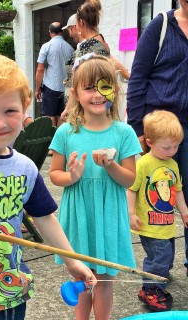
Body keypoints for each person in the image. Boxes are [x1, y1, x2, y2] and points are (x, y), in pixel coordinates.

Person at [0, 52, 96, 319]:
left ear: (26, 106)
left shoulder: (25, 168)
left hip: (10, 294)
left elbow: (45, 218)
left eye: (10, 111)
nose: (0, 122)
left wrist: (73, 262)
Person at [49, 54, 142, 320]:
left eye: (104, 86)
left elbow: (130, 180)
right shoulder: (66, 132)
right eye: (89, 88)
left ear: (113, 89)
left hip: (109, 216)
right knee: (81, 277)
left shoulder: (123, 133)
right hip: (78, 217)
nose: (97, 94)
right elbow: (54, 174)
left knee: (104, 279)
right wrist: (73, 176)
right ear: (76, 93)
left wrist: (111, 166)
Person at [126, 1, 188, 275]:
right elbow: (138, 77)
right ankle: (158, 270)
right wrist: (138, 129)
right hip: (162, 129)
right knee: (157, 197)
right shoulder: (160, 26)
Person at [127, 110, 188, 312]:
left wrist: (184, 210)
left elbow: (177, 190)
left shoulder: (172, 164)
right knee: (159, 257)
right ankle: (149, 289)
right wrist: (130, 213)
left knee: (167, 257)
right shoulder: (143, 164)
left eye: (176, 145)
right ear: (150, 142)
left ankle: (158, 279)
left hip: (168, 224)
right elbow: (131, 188)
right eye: (167, 147)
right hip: (150, 225)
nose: (172, 150)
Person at [61, 0, 130, 120]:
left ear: (81, 22)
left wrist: (68, 109)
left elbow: (77, 78)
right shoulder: (100, 41)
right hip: (101, 99)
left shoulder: (86, 46)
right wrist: (131, 77)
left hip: (85, 106)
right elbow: (113, 62)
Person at [35, 21, 74, 127]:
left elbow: (40, 69)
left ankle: (51, 141)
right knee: (63, 115)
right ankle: (60, 141)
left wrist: (37, 89)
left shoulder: (46, 46)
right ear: (62, 32)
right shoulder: (70, 48)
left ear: (50, 32)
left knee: (50, 116)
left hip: (50, 87)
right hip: (65, 88)